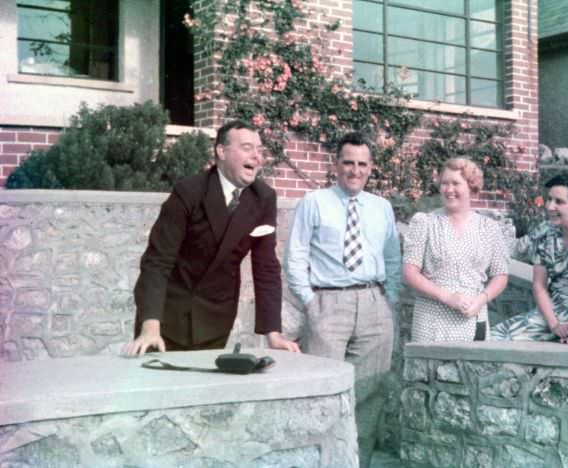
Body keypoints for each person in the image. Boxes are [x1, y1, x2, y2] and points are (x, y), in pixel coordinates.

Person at [124, 120, 299, 355]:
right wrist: (150, 327)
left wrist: (273, 335)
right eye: (247, 148)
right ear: (221, 151)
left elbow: (266, 267)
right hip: (166, 318)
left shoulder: (263, 198)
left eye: (259, 150)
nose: (257, 156)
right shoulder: (189, 191)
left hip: (216, 318)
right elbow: (157, 262)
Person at [283, 131, 401, 467]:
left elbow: (393, 258)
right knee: (321, 391)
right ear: (335, 164)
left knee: (370, 392)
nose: (355, 170)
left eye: (362, 164)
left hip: (374, 305)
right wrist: (311, 302)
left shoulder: (382, 208)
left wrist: (388, 299)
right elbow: (295, 256)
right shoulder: (314, 202)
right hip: (328, 304)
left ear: (371, 167)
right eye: (348, 162)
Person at [491, 173, 568, 341]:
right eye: (549, 199)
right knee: (496, 335)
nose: (549, 206)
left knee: (507, 338)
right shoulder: (545, 232)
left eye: (559, 202)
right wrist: (553, 324)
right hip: (553, 310)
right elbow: (539, 286)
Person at [403, 157, 509, 342]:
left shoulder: (489, 227)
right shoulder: (425, 222)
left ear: (471, 187)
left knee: (471, 369)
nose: (449, 190)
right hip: (432, 318)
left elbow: (500, 275)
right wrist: (448, 297)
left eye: (455, 184)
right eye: (445, 183)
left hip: (473, 316)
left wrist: (481, 300)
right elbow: (410, 273)